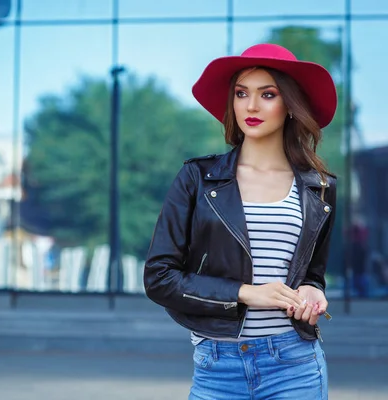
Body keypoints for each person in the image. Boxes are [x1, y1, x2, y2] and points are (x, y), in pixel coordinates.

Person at [143, 43, 337, 400]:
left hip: (294, 364)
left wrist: (312, 292)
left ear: (290, 105)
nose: (251, 106)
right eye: (241, 93)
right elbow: (159, 278)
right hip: (217, 366)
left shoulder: (319, 187)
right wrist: (246, 293)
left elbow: (311, 274)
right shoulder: (197, 178)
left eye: (267, 94)